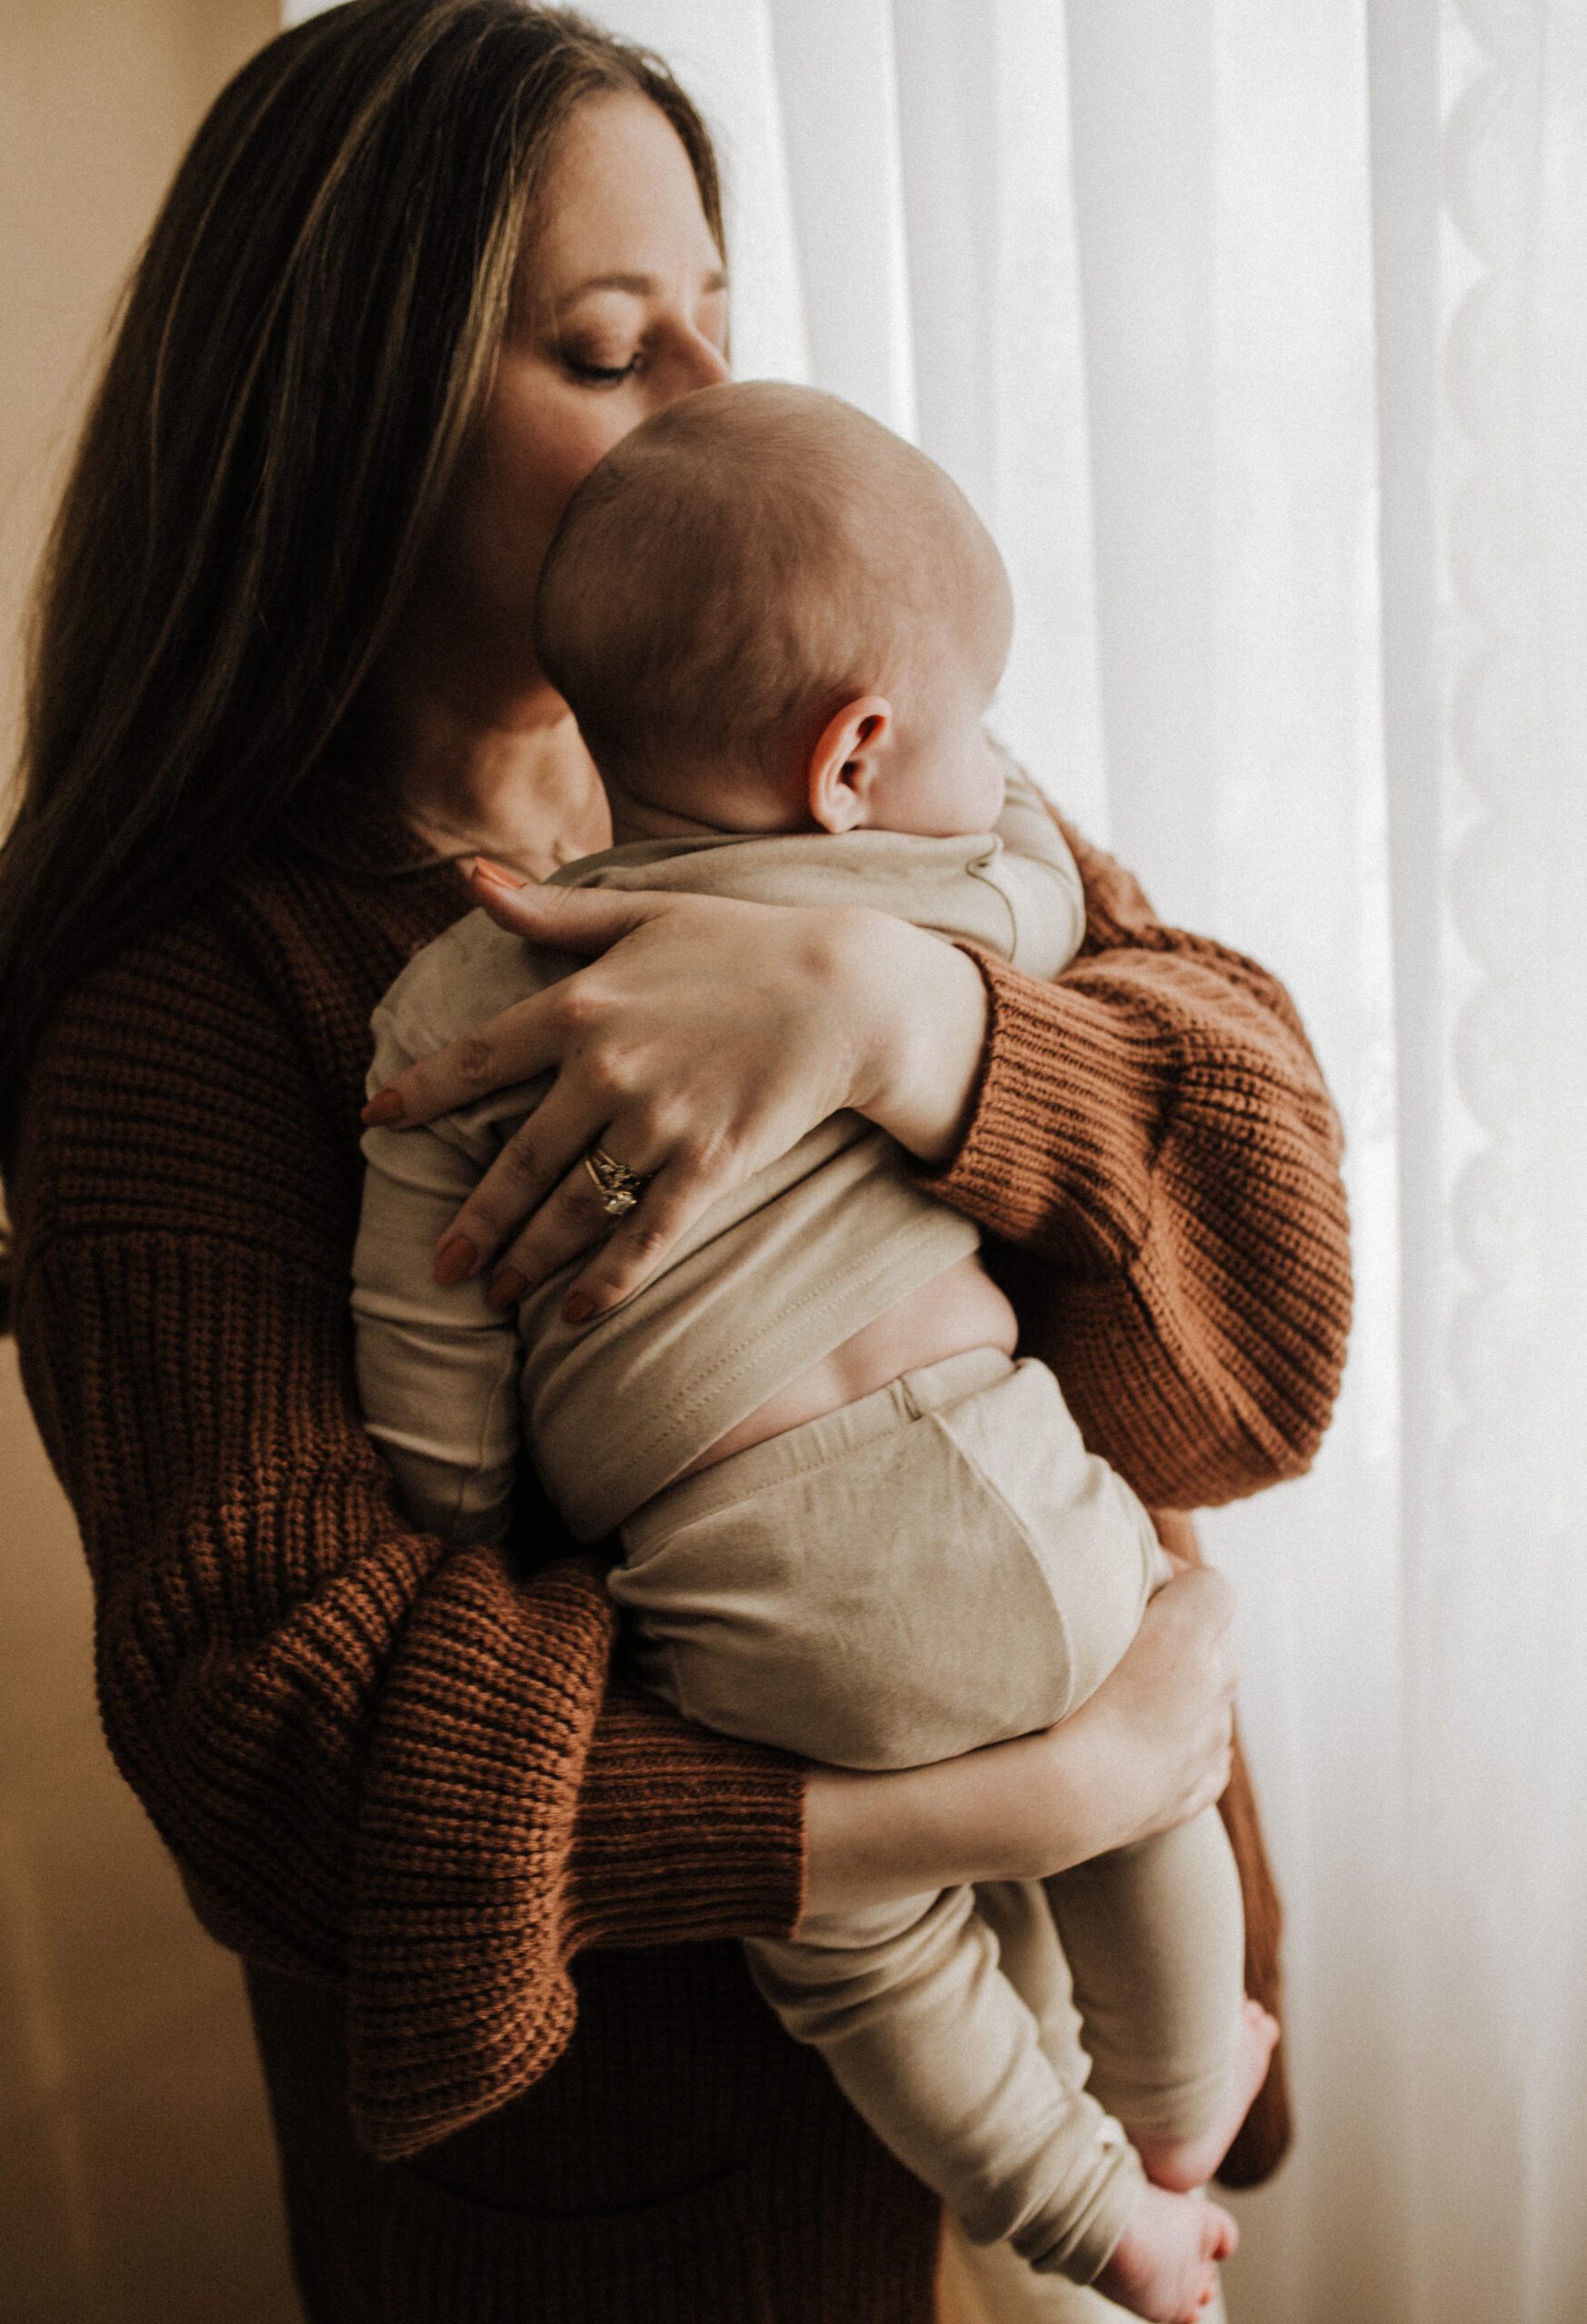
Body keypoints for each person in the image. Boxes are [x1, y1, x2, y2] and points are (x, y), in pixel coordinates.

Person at [0, 5, 1349, 2319]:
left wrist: (921, 1023)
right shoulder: (195, 1014)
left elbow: (1268, 1303)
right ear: (354, 423)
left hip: (1115, 2015)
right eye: (611, 350)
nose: (713, 415)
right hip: (645, 2209)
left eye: (718, 328)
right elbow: (285, 1749)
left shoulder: (853, 774)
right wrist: (984, 1806)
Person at [350, 379, 1276, 2323]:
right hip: (1027, 1503)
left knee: (867, 1959)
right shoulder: (947, 891)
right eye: (610, 340)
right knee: (1149, 1796)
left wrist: (452, 1494)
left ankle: (1104, 2216)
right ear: (856, 755)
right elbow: (1039, 881)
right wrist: (925, 946)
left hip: (755, 1612)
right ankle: (1185, 2112)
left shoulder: (455, 987)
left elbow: (426, 1292)